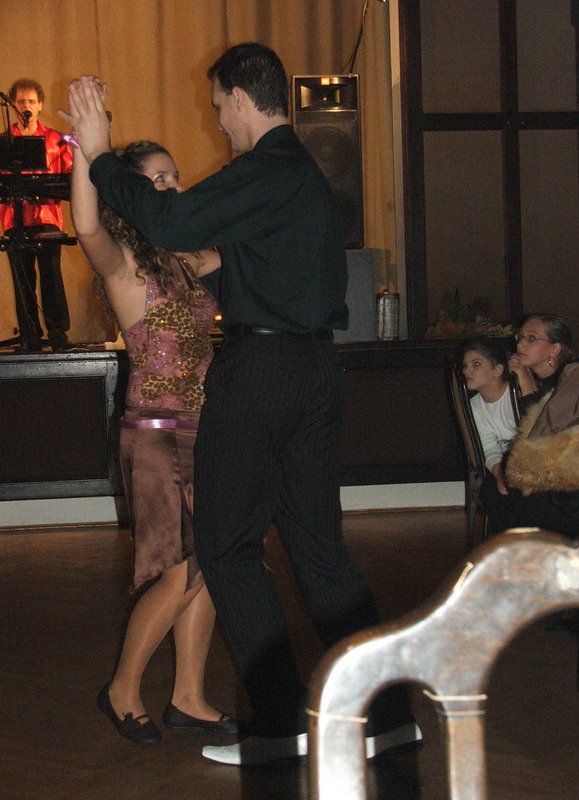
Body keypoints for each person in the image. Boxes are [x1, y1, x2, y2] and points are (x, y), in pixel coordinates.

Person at [61, 43, 422, 765]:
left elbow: (174, 222)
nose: (218, 119)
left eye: (219, 104)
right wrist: (215, 268)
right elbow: (259, 270)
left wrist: (98, 153)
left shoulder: (267, 169)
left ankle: (279, 727)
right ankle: (386, 719)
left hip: (262, 374)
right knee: (319, 554)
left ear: (240, 97)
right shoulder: (304, 179)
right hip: (314, 370)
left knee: (225, 550)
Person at [69, 135, 233, 746]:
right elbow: (86, 225)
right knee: (179, 572)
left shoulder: (186, 259)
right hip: (156, 436)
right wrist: (86, 150)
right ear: (129, 195)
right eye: (157, 179)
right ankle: (121, 690)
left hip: (204, 431)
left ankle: (188, 697)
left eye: (175, 176)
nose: (172, 187)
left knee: (210, 565)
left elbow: (245, 243)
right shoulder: (124, 265)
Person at [481, 313, 579, 537]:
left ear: (555, 349)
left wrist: (526, 383)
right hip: (562, 466)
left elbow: (547, 431)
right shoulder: (541, 380)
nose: (521, 344)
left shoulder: (575, 373)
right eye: (520, 337)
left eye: (532, 338)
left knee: (520, 486)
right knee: (495, 488)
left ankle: (538, 547)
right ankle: (521, 548)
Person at [0, 79, 73, 351]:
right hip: (15, 219)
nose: (26, 106)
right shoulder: (3, 142)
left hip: (47, 218)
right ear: (12, 105)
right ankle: (30, 337)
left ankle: (58, 335)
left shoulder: (57, 139)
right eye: (21, 101)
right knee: (23, 280)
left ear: (40, 105)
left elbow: (70, 174)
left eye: (31, 101)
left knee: (51, 276)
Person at [462, 337, 518, 498]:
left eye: (476, 364)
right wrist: (500, 475)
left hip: (526, 462)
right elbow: (488, 448)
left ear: (497, 370)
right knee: (490, 492)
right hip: (502, 466)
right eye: (465, 366)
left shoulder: (515, 395)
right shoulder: (474, 406)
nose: (467, 371)